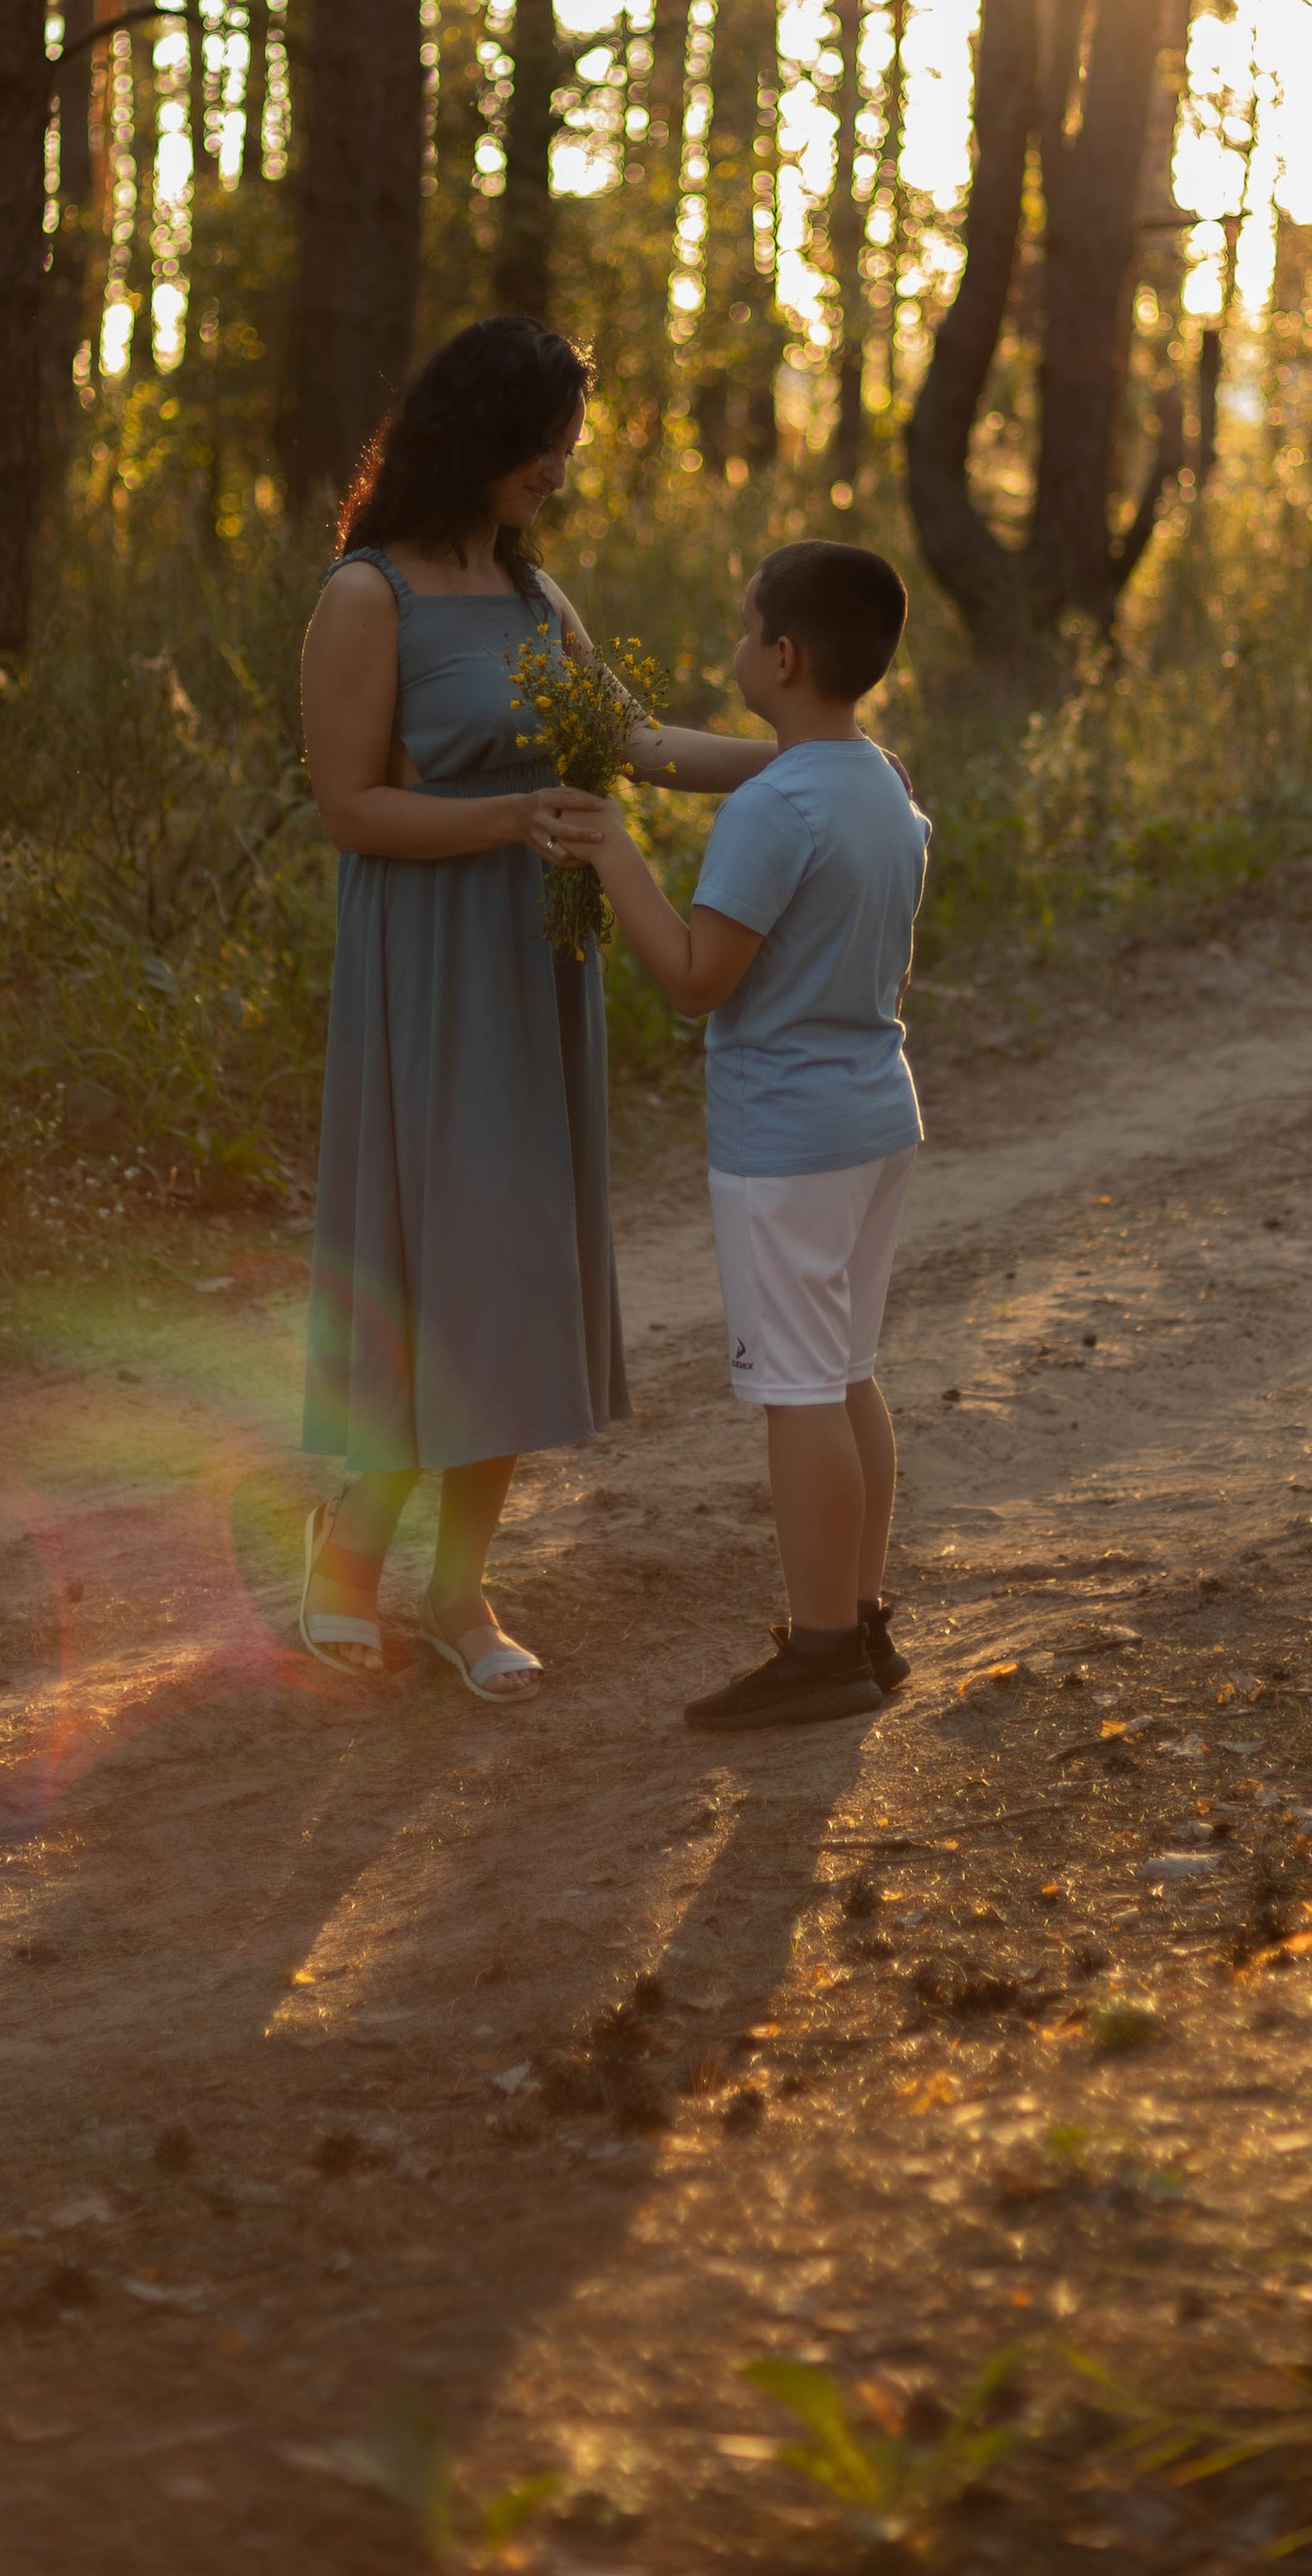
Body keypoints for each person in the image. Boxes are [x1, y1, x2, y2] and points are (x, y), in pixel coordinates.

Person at [284, 316, 775, 1703]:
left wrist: (817, 755)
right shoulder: (367, 595)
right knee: (424, 1257)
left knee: (505, 1266)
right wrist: (507, 816)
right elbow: (347, 806)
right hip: (423, 967)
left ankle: (455, 1591)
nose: (560, 466)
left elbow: (640, 744)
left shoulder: (530, 595)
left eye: (565, 443)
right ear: (478, 434)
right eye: (543, 440)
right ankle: (347, 1555)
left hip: (530, 965)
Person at [576, 540, 929, 1731]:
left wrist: (610, 848)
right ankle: (862, 1624)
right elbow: (668, 750)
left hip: (788, 1142)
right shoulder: (878, 782)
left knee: (797, 1392)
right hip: (876, 1115)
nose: (732, 648)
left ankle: (822, 1646)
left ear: (780, 657)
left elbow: (692, 978)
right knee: (844, 1376)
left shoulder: (774, 809)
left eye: (742, 629)